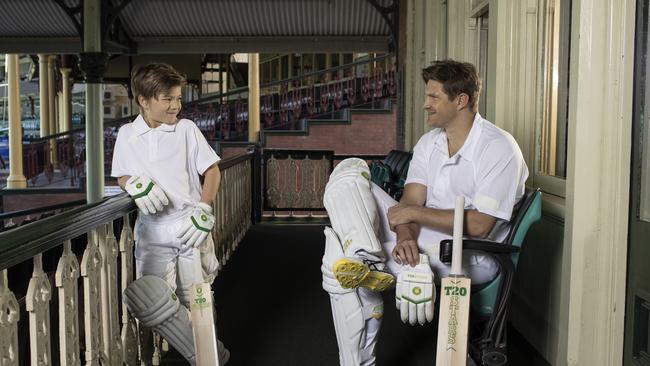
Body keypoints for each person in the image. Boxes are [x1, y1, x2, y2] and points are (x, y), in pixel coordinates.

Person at [321, 59, 529, 365]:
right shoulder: (429, 143)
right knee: (349, 171)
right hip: (428, 239)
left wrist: (413, 217)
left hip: (472, 253)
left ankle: (367, 267)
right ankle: (365, 256)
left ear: (461, 100)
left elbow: (481, 225)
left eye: (434, 97)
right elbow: (409, 203)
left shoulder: (498, 147)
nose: (425, 104)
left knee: (336, 267)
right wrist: (405, 237)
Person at [112, 63, 229, 364]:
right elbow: (122, 176)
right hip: (150, 229)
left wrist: (204, 208)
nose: (176, 105)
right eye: (167, 99)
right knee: (151, 301)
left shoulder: (186, 130)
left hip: (189, 225)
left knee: (197, 297)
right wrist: (132, 183)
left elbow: (212, 172)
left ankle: (207, 358)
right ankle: (202, 352)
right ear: (144, 99)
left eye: (178, 98)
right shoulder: (127, 134)